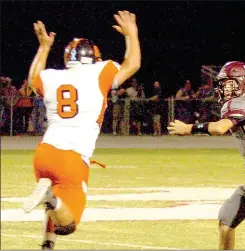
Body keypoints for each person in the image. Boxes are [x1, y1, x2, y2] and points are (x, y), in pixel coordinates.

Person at [23, 10, 141, 250]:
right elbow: (133, 63)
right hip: (72, 158)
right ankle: (50, 201)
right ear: (95, 57)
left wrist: (44, 47)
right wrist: (132, 35)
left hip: (44, 154)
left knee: (55, 200)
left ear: (68, 59)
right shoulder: (102, 71)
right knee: (68, 223)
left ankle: (47, 244)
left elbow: (32, 78)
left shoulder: (52, 77)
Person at [168, 61, 245, 250]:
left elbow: (219, 128)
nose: (224, 88)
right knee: (226, 222)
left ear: (242, 83)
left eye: (229, 83)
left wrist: (189, 128)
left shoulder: (236, 104)